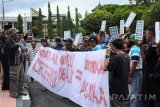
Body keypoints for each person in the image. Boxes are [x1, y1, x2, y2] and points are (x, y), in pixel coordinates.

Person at [104, 38, 130, 107]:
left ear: (114, 47)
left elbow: (105, 67)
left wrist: (107, 54)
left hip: (116, 90)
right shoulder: (127, 56)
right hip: (124, 88)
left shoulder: (117, 58)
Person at [5, 28, 27, 98]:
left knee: (21, 77)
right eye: (16, 33)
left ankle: (20, 90)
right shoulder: (8, 41)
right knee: (14, 78)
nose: (18, 34)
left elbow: (19, 47)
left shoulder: (15, 39)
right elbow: (12, 49)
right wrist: (19, 43)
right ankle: (13, 93)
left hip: (19, 61)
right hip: (13, 63)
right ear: (13, 34)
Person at [142, 26, 159, 107]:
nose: (145, 36)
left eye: (146, 34)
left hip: (150, 73)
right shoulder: (155, 45)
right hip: (154, 72)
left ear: (150, 34)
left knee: (149, 95)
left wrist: (141, 47)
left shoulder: (152, 46)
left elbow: (144, 59)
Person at [128, 34, 143, 107]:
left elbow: (134, 63)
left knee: (134, 95)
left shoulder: (135, 49)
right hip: (135, 72)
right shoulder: (134, 49)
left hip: (135, 73)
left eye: (129, 38)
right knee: (134, 95)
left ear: (133, 40)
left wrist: (130, 75)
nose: (127, 40)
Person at [0, 25, 12, 90]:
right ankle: (8, 86)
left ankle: (5, 86)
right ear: (6, 30)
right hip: (3, 56)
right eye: (9, 30)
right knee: (7, 71)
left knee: (6, 70)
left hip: (5, 55)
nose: (10, 31)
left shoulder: (4, 36)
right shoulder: (2, 36)